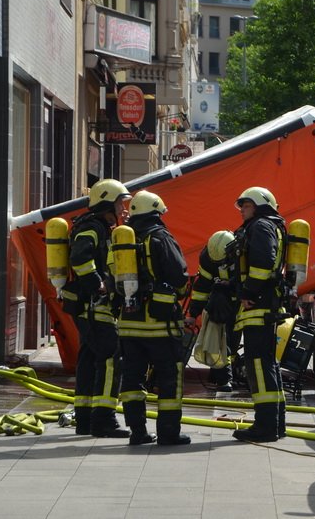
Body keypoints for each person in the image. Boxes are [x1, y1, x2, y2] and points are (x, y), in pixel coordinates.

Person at [116, 190, 191, 446]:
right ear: (157, 213)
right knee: (169, 378)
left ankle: (138, 432)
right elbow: (179, 276)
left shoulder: (123, 239)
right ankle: (169, 433)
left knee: (133, 379)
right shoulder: (159, 237)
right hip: (160, 325)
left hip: (128, 323)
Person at [65, 178, 131, 438]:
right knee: (111, 358)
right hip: (94, 306)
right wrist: (98, 285)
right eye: (119, 203)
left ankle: (84, 419)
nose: (123, 208)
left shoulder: (97, 226)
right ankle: (103, 420)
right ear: (106, 203)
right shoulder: (93, 227)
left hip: (87, 307)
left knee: (89, 360)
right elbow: (80, 258)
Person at [231, 187, 288, 442]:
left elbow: (263, 264)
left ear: (259, 205)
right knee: (267, 365)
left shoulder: (261, 226)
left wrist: (248, 293)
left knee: (259, 366)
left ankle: (265, 426)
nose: (242, 210)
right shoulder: (267, 226)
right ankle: (276, 425)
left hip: (259, 306)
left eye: (245, 205)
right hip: (265, 306)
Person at [188, 230, 238, 391]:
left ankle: (224, 374)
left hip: (242, 303)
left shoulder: (242, 255)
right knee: (220, 339)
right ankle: (223, 378)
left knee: (232, 341)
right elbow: (202, 286)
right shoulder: (207, 258)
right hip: (219, 302)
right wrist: (193, 314)